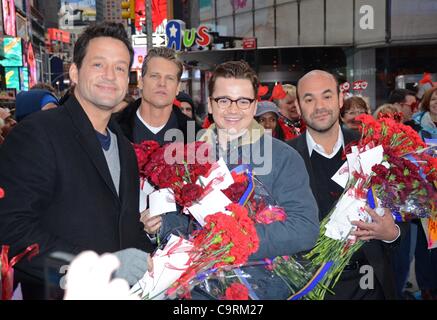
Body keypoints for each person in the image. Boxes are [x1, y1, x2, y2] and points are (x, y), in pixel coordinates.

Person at [142, 61, 320, 299]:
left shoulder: (283, 157)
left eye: (243, 101)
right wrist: (158, 226)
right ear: (211, 104)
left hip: (264, 290)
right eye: (223, 100)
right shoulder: (186, 156)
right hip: (198, 292)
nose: (233, 110)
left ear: (255, 105)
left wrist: (233, 240)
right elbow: (182, 225)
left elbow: (304, 229)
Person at [0, 22, 153, 299]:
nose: (110, 75)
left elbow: (125, 225)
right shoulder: (37, 133)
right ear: (74, 72)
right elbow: (11, 229)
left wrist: (163, 252)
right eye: (98, 65)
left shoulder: (124, 148)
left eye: (120, 68)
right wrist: (98, 268)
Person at [288, 70, 405, 300]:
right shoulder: (286, 156)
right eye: (309, 99)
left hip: (369, 281)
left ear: (340, 100)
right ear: (299, 107)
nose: (319, 106)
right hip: (311, 285)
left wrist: (392, 233)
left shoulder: (371, 148)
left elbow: (399, 217)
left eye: (327, 96)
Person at [116, 47, 200, 145]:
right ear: (141, 82)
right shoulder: (113, 129)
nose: (162, 83)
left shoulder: (196, 135)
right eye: (155, 76)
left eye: (169, 78)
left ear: (177, 87)